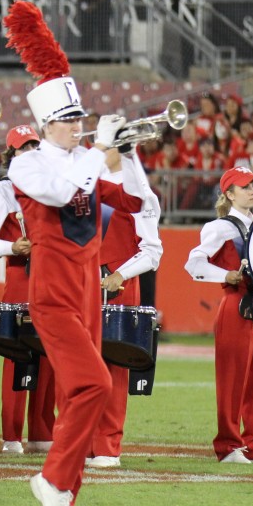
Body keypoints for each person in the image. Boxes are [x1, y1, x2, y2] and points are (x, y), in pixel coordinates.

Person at [2, 0, 147, 506]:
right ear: (45, 124)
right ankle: (52, 480)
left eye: (79, 120)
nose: (77, 127)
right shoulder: (28, 162)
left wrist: (126, 154)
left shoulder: (85, 161)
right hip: (55, 293)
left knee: (80, 394)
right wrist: (99, 152)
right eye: (67, 121)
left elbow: (138, 204)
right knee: (94, 386)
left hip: (89, 291)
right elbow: (63, 193)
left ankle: (59, 505)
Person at [185, 166, 253, 465]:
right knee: (233, 381)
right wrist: (225, 274)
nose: (252, 190)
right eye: (244, 187)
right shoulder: (220, 228)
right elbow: (193, 264)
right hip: (236, 306)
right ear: (228, 194)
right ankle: (228, 445)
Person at [0, 124, 56, 455]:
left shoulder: (51, 189)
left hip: (51, 277)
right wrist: (12, 247)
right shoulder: (0, 193)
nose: (30, 152)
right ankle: (11, 436)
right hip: (21, 275)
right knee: (18, 355)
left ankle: (41, 433)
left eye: (35, 146)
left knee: (51, 354)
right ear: (11, 155)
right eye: (23, 148)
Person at [88, 145, 163, 468]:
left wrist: (120, 274)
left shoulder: (140, 193)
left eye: (108, 144)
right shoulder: (87, 183)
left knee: (115, 366)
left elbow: (152, 252)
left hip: (116, 285)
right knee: (82, 364)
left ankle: (107, 447)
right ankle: (84, 442)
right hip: (83, 284)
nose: (98, 148)